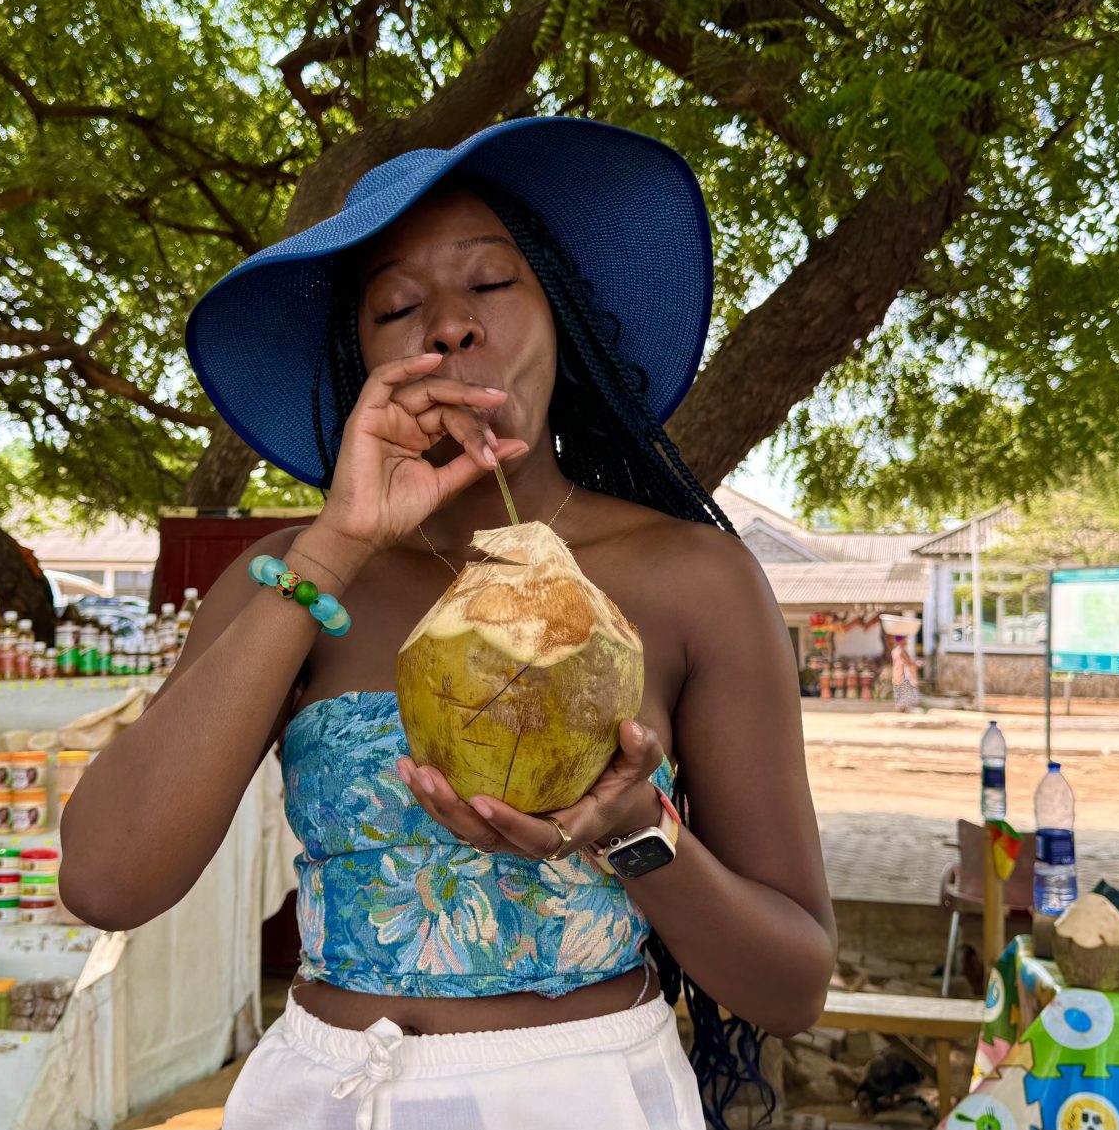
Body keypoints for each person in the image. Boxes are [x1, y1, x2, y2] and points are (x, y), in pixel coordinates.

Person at [62, 117, 836, 1130]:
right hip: (328, 1098)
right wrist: (335, 546)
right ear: (362, 359)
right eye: (397, 306)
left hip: (586, 1100)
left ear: (559, 319)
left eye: (491, 282)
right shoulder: (293, 579)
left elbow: (792, 985)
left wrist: (634, 829)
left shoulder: (695, 578)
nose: (450, 326)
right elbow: (106, 879)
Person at [889, 635, 922, 712]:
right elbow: (909, 662)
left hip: (896, 676)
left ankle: (902, 710)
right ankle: (906, 710)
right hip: (904, 676)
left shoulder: (894, 651)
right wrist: (917, 663)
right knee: (908, 696)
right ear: (901, 641)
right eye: (905, 640)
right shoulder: (902, 651)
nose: (907, 642)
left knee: (900, 696)